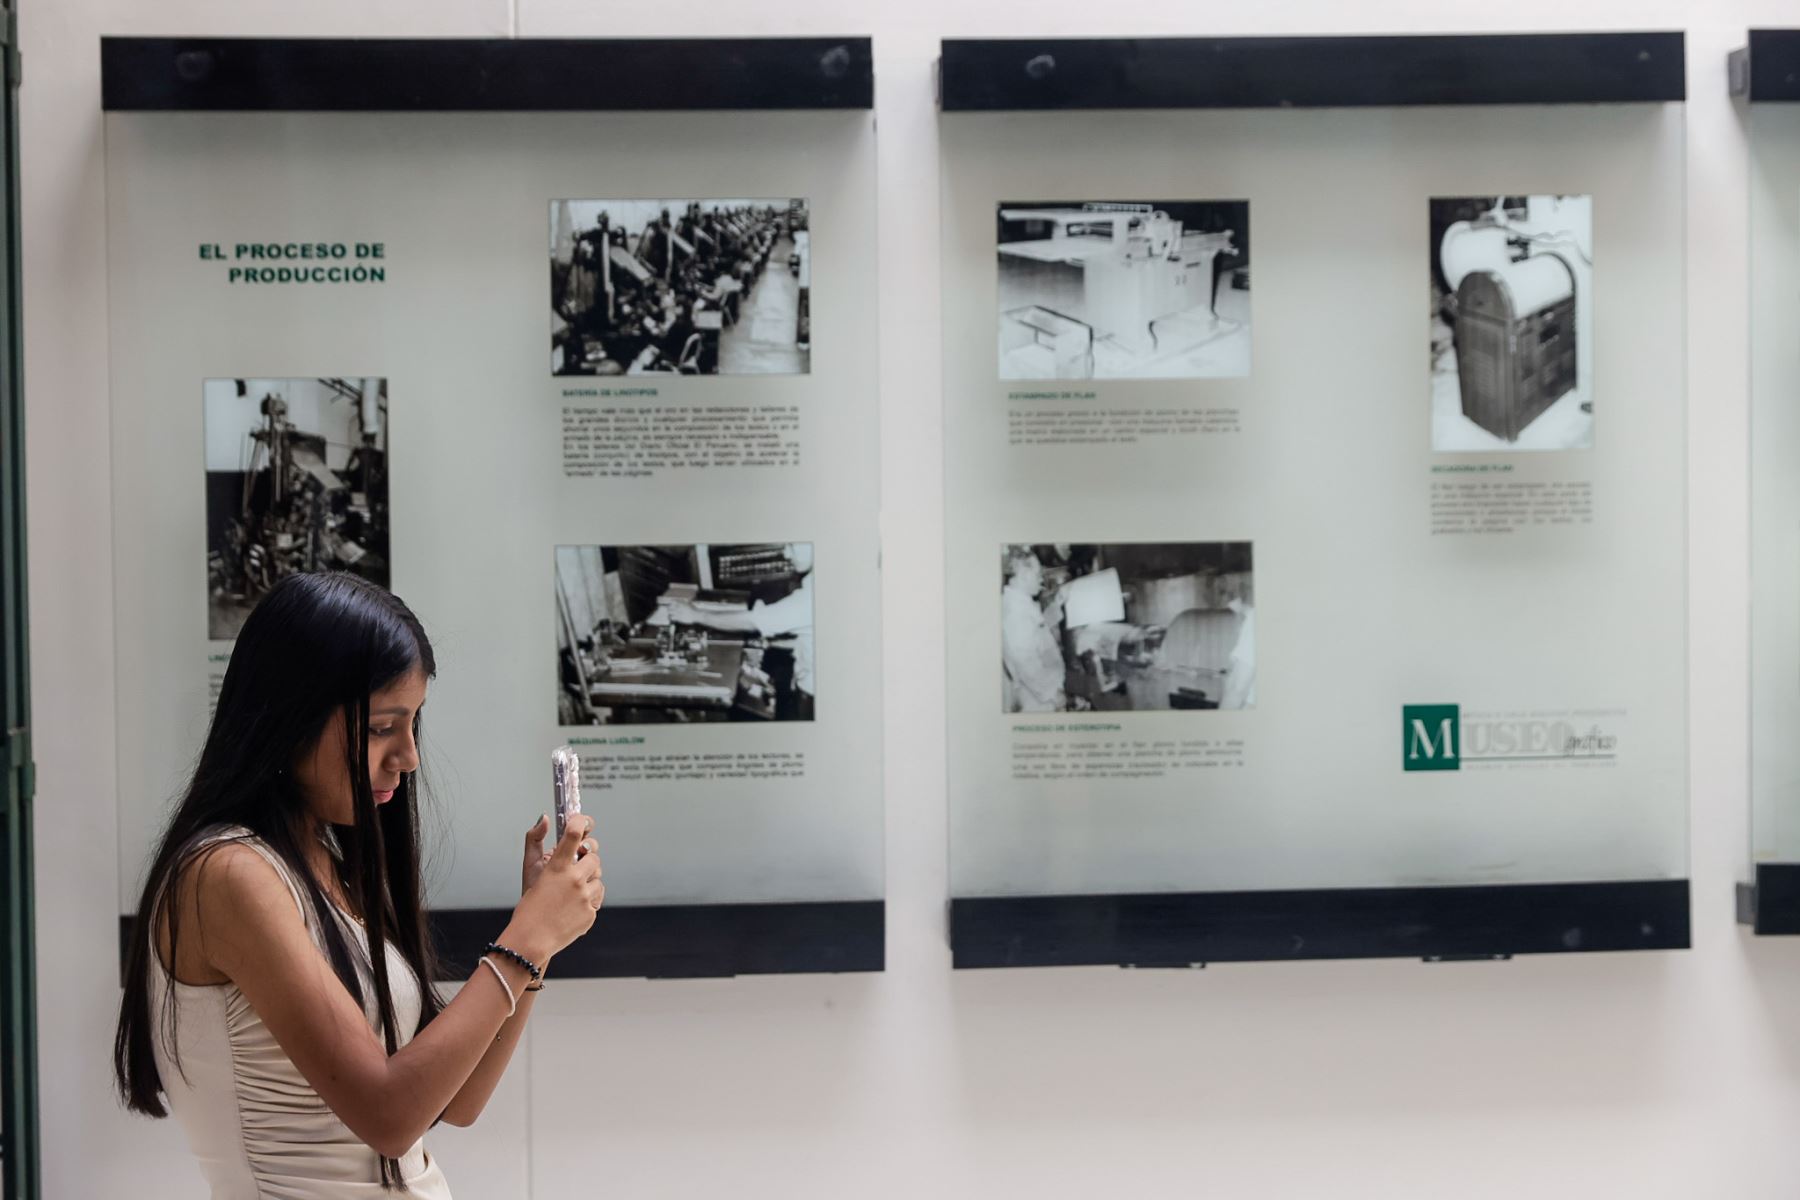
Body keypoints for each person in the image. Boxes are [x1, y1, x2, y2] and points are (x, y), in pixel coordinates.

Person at [113, 572, 605, 1197]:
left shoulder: (318, 861)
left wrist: (539, 941)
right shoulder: (228, 873)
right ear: (289, 717)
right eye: (380, 728)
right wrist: (527, 939)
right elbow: (388, 1117)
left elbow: (454, 1102)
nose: (409, 756)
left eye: (413, 724)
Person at [664, 544, 814, 720]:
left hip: (810, 696)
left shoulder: (807, 599)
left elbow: (752, 621)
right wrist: (771, 644)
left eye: (793, 546)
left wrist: (695, 614)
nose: (786, 553)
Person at [1001, 546, 1068, 712]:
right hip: (1037, 698)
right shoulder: (1016, 613)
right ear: (1024, 574)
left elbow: (1037, 629)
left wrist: (1056, 605)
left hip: (1038, 691)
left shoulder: (1021, 602)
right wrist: (1052, 692)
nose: (1041, 580)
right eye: (1038, 574)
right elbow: (1025, 660)